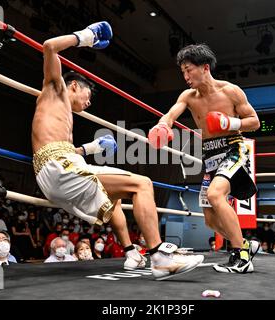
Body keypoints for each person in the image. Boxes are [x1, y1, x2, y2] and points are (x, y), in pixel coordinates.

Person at [31, 22, 203, 279]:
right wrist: (86, 37)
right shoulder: (55, 89)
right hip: (59, 167)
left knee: (115, 197)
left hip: (58, 167)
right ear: (75, 85)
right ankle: (159, 256)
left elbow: (55, 150)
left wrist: (89, 148)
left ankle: (131, 252)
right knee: (142, 184)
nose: (88, 103)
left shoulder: (58, 113)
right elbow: (49, 47)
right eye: (88, 96)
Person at [148, 43, 260, 273]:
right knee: (209, 218)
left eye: (189, 70)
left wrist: (229, 122)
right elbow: (170, 114)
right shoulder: (188, 96)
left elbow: (254, 122)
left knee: (215, 194)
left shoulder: (231, 91)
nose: (186, 76)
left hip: (233, 148)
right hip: (210, 155)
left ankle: (242, 257)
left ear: (205, 67)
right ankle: (246, 245)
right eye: (183, 72)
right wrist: (162, 126)